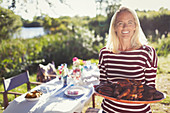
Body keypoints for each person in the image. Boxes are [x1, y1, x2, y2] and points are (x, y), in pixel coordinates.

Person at [98, 6, 157, 113]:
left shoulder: (147, 53)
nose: (125, 27)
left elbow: (150, 89)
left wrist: (132, 91)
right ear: (114, 27)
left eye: (130, 22)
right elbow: (103, 85)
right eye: (120, 23)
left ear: (135, 26)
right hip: (109, 110)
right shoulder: (105, 53)